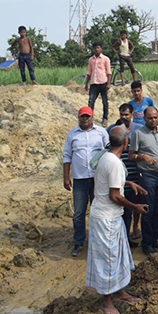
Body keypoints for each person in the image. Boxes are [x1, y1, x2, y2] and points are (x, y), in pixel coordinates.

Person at [85, 125, 148, 314]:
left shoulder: (106, 157)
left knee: (118, 256)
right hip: (106, 218)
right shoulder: (112, 162)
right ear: (126, 143)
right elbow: (115, 196)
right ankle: (106, 302)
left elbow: (109, 181)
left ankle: (120, 292)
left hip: (111, 217)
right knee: (108, 259)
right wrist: (134, 207)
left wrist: (127, 182)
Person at [62, 106, 109, 257]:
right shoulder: (72, 134)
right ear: (79, 117)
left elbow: (109, 152)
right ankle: (79, 241)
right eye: (83, 116)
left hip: (98, 178)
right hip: (80, 179)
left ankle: (98, 241)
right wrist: (66, 177)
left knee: (98, 210)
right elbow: (67, 155)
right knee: (79, 212)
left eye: (88, 116)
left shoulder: (101, 132)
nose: (85, 119)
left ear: (92, 117)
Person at [128, 107, 158, 256]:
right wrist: (142, 157)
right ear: (144, 118)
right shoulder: (138, 133)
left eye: (155, 117)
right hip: (147, 176)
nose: (153, 120)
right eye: (150, 118)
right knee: (148, 210)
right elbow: (131, 155)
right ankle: (146, 244)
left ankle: (154, 240)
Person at [107, 103, 143, 244]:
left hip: (132, 182)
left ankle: (127, 238)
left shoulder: (134, 144)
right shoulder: (110, 150)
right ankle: (117, 239)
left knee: (128, 212)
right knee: (117, 212)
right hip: (116, 185)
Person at [85, 42, 111, 128]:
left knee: (104, 102)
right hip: (94, 83)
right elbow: (89, 72)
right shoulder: (91, 60)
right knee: (91, 101)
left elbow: (108, 72)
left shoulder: (105, 59)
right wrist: (86, 84)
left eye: (98, 47)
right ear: (93, 49)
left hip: (103, 83)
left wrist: (108, 83)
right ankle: (90, 118)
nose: (96, 49)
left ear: (101, 49)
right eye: (95, 48)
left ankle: (105, 118)